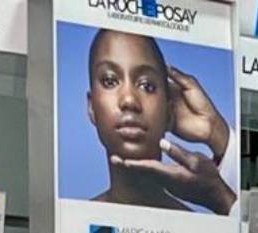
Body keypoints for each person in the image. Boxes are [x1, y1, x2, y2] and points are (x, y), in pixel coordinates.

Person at [85, 28, 236, 215]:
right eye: (110, 81)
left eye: (146, 85)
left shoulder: (198, 231)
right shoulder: (72, 222)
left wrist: (216, 131)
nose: (129, 100)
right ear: (91, 107)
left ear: (169, 111)